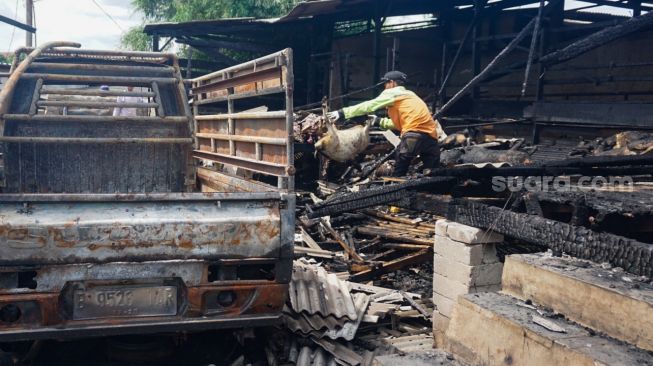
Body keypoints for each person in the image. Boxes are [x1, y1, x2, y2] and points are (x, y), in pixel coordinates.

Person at [327, 71, 442, 176]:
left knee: (400, 170)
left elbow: (369, 105)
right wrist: (379, 121)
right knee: (432, 172)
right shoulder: (410, 95)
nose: (384, 87)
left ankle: (396, 194)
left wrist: (342, 113)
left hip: (413, 135)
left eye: (385, 84)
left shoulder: (393, 92)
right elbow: (400, 124)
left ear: (391, 83)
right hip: (431, 137)